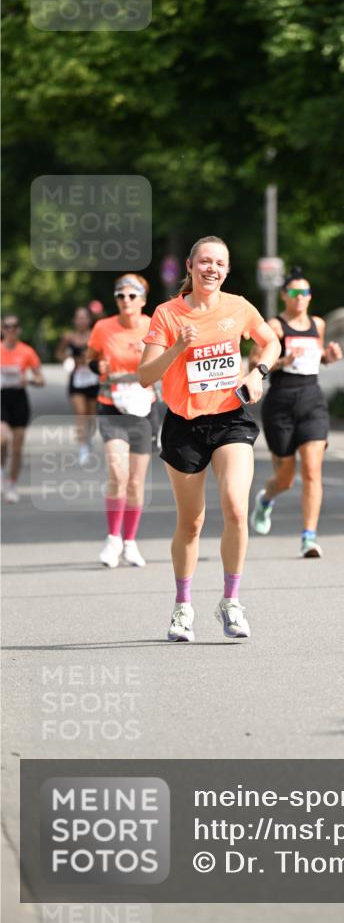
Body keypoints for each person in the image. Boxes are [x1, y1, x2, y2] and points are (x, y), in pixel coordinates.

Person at [138, 235, 280, 644]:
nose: (211, 268)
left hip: (230, 418)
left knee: (236, 507)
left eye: (219, 262)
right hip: (184, 424)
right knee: (192, 522)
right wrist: (177, 348)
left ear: (227, 270)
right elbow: (146, 376)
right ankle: (183, 607)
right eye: (204, 261)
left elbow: (271, 341)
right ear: (190, 266)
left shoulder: (238, 307)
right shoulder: (167, 314)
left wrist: (259, 372)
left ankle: (231, 600)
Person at [250, 267, 342, 558]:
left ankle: (309, 538)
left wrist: (329, 357)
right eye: (294, 292)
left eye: (304, 292)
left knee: (313, 471)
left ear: (310, 296)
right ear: (284, 296)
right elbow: (255, 362)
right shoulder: (274, 327)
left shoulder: (318, 324)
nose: (299, 297)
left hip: (312, 400)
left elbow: (318, 359)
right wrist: (281, 360)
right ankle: (266, 499)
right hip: (281, 402)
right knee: (286, 479)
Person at [86, 274, 154, 569]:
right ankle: (113, 538)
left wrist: (149, 358)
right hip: (111, 407)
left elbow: (169, 363)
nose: (125, 301)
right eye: (120, 296)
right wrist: (96, 365)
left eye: (131, 295)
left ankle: (130, 542)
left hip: (142, 411)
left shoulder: (153, 326)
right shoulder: (103, 327)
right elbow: (90, 358)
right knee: (118, 472)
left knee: (136, 483)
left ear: (142, 299)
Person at [1, 315, 45, 502]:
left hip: (19, 398)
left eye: (14, 326)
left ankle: (12, 484)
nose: (11, 330)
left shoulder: (26, 351)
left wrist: (30, 380)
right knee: (2, 438)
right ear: (2, 329)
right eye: (7, 326)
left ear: (19, 330)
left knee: (17, 447)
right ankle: (2, 470)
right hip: (1, 397)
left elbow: (41, 379)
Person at [56, 306, 99, 465]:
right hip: (76, 381)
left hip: (93, 380)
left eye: (84, 317)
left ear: (89, 320)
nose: (81, 320)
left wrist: (91, 361)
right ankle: (83, 447)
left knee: (92, 417)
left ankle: (88, 439)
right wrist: (68, 360)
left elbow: (102, 354)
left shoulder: (95, 336)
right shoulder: (68, 337)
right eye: (78, 317)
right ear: (74, 320)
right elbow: (59, 353)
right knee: (81, 412)